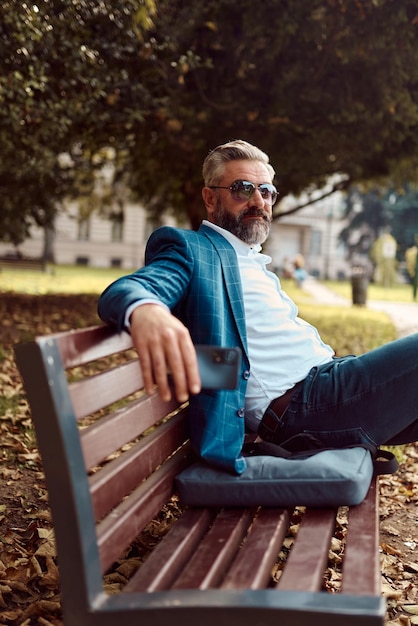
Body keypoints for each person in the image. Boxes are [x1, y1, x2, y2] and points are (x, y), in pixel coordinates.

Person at [98, 139, 418, 474]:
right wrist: (145, 310)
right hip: (304, 407)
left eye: (266, 191)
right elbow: (129, 288)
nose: (257, 201)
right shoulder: (192, 250)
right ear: (210, 198)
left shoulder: (249, 257)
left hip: (329, 384)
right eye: (242, 189)